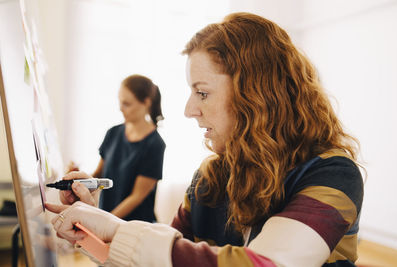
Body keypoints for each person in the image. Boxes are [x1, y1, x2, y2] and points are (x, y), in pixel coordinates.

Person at [46, 12, 364, 267]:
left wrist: (114, 227)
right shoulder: (209, 178)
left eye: (202, 93)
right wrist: (86, 227)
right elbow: (153, 258)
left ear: (256, 95)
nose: (189, 110)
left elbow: (266, 263)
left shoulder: (333, 175)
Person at [61, 74, 166, 222]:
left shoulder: (155, 144)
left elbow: (137, 197)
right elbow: (98, 175)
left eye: (127, 104)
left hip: (135, 226)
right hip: (107, 218)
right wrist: (78, 179)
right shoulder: (113, 133)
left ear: (146, 103)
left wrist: (105, 220)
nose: (120, 108)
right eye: (120, 102)